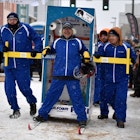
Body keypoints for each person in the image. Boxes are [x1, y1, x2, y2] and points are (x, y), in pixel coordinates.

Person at [34, 22, 91, 127]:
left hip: (73, 75)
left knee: (76, 98)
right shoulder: (57, 42)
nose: (67, 31)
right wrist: (47, 49)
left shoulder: (77, 42)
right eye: (65, 29)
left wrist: (86, 55)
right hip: (58, 74)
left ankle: (82, 119)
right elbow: (51, 49)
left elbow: (84, 50)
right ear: (62, 31)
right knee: (51, 96)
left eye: (69, 29)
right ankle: (42, 114)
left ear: (72, 31)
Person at [0, 12, 43, 118]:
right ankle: (15, 109)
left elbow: (37, 38)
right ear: (7, 20)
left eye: (14, 20)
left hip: (22, 65)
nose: (12, 22)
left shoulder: (26, 28)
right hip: (8, 64)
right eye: (10, 20)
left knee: (24, 88)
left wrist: (36, 49)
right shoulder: (3, 29)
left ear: (17, 20)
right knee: (9, 89)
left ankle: (32, 102)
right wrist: (2, 48)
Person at [95, 27, 136, 128]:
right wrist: (97, 55)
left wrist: (132, 59)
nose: (111, 38)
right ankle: (105, 112)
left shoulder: (126, 47)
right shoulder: (105, 47)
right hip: (107, 78)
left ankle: (120, 119)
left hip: (121, 78)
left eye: (114, 36)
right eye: (110, 36)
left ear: (118, 37)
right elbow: (99, 54)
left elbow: (133, 58)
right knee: (105, 96)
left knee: (121, 99)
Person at [93, 28, 109, 105]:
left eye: (105, 35)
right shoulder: (97, 44)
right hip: (98, 68)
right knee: (97, 84)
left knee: (104, 85)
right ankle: (96, 99)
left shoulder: (109, 45)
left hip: (107, 69)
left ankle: (102, 99)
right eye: (102, 35)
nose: (103, 37)